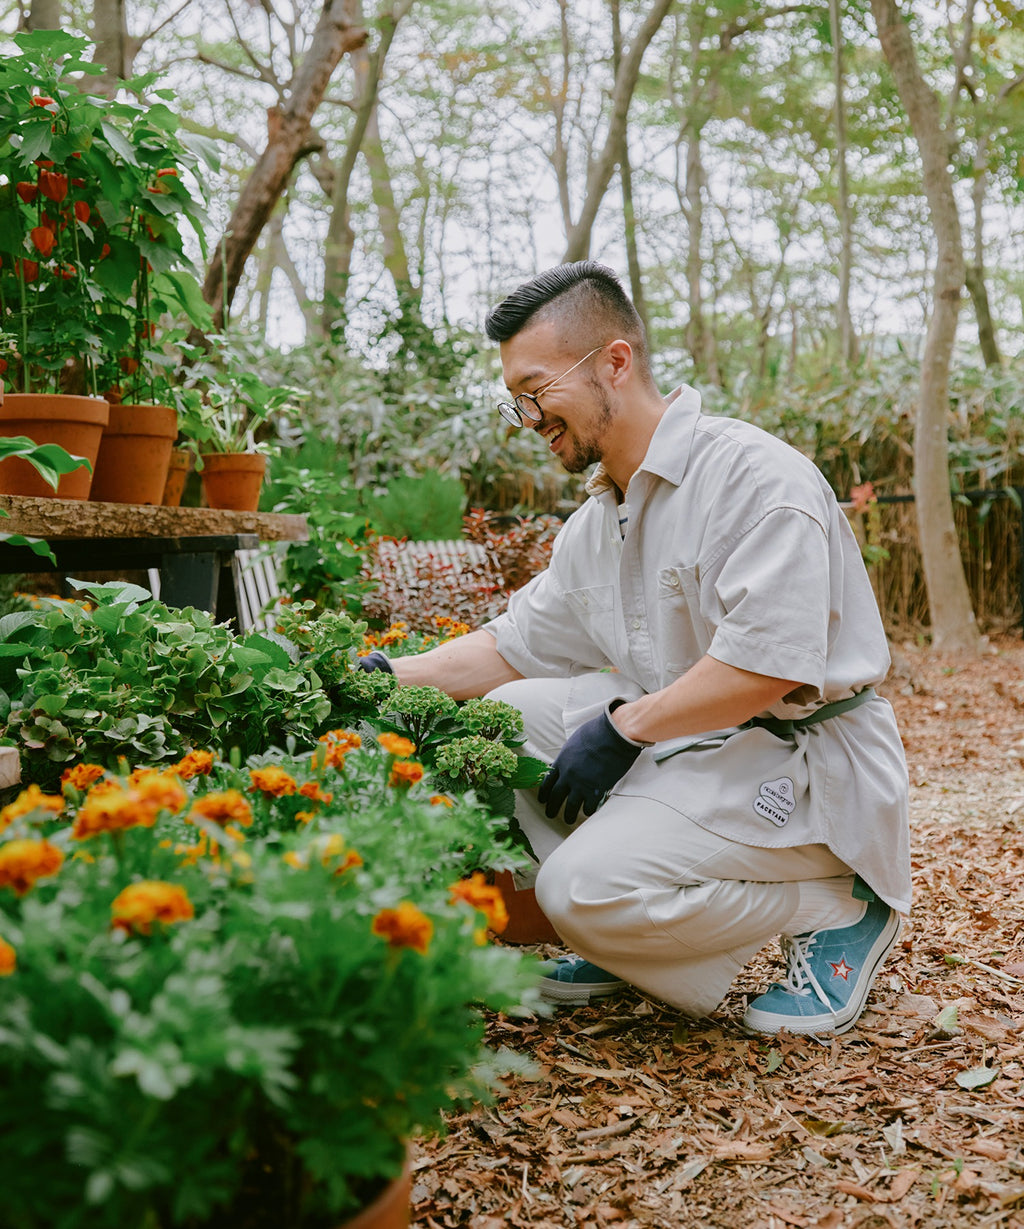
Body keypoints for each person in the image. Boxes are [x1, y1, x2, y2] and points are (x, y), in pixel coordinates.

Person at [360, 261, 911, 1036]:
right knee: (508, 714)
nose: (527, 418)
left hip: (808, 766)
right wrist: (381, 677)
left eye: (536, 390)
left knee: (576, 891)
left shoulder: (753, 480)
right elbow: (513, 646)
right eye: (516, 398)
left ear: (615, 362)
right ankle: (625, 942)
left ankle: (836, 903)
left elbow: (765, 669)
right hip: (708, 751)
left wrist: (624, 728)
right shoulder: (599, 522)